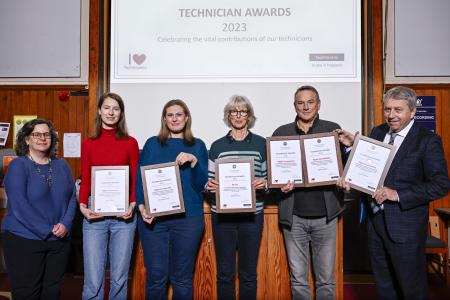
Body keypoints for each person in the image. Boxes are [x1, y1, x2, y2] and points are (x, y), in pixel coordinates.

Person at [337, 86, 450, 300]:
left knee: (411, 289)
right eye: (387, 109)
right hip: (376, 223)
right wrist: (354, 150)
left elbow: (440, 184)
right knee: (384, 287)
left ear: (413, 112)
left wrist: (396, 194)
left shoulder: (427, 140)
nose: (391, 115)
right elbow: (368, 168)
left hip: (405, 227)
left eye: (398, 110)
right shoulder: (377, 132)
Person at [272, 85, 345, 299]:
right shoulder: (281, 133)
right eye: (300, 102)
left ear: (318, 104)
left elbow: (346, 167)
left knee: (326, 280)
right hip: (294, 218)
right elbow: (273, 173)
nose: (305, 106)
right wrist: (279, 186)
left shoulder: (333, 130)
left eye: (310, 102)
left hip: (326, 217)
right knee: (298, 280)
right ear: (294, 106)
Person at [136, 99, 208, 300]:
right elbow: (140, 179)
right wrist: (142, 207)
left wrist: (194, 161)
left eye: (179, 114)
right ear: (164, 119)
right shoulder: (152, 144)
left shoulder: (198, 145)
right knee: (156, 276)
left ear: (186, 118)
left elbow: (202, 184)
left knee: (182, 278)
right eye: (170, 115)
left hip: (188, 220)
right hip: (155, 221)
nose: (175, 118)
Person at [2, 118, 77, 300]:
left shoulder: (62, 165)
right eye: (36, 134)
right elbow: (19, 206)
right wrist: (47, 229)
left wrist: (65, 224)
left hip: (58, 241)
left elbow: (72, 197)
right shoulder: (18, 165)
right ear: (27, 139)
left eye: (46, 134)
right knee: (28, 293)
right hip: (23, 239)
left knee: (51, 292)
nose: (42, 138)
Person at [79, 92, 139, 300]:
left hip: (124, 216)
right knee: (93, 278)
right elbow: (85, 177)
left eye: (116, 108)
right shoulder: (89, 143)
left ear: (121, 113)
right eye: (107, 108)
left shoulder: (130, 142)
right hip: (94, 214)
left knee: (119, 277)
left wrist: (132, 204)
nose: (111, 112)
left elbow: (134, 178)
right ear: (99, 111)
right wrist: (82, 206)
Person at [206, 95, 267, 300]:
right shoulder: (217, 146)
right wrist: (210, 186)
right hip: (223, 217)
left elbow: (269, 179)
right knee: (225, 273)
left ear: (249, 115)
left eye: (243, 111)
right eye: (234, 111)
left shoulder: (261, 144)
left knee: (249, 273)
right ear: (228, 115)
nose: (239, 115)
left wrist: (264, 183)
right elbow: (209, 181)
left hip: (252, 216)